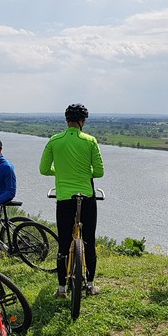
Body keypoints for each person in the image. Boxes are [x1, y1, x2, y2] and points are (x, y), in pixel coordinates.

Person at [40, 104, 105, 297]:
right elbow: (99, 172)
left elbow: (44, 170)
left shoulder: (54, 140)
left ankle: (61, 288)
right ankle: (91, 284)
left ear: (66, 120)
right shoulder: (90, 141)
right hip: (86, 196)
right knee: (89, 241)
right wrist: (84, 172)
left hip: (64, 198)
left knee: (64, 243)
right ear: (83, 122)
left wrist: (59, 172)